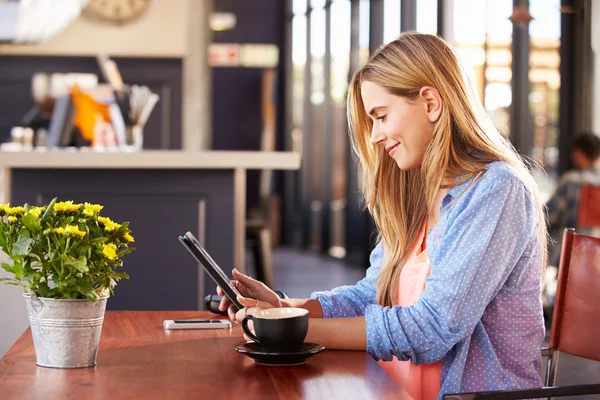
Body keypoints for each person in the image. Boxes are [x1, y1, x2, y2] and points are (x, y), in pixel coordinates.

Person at [218, 32, 547, 399]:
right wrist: (284, 309)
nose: (374, 136)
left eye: (381, 116)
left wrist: (294, 330)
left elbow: (432, 328)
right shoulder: (419, 192)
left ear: (431, 103)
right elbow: (373, 296)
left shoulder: (496, 190)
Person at [546, 132, 600, 266]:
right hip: (596, 258)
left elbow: (548, 216)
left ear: (578, 154)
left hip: (570, 256)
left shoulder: (572, 181)